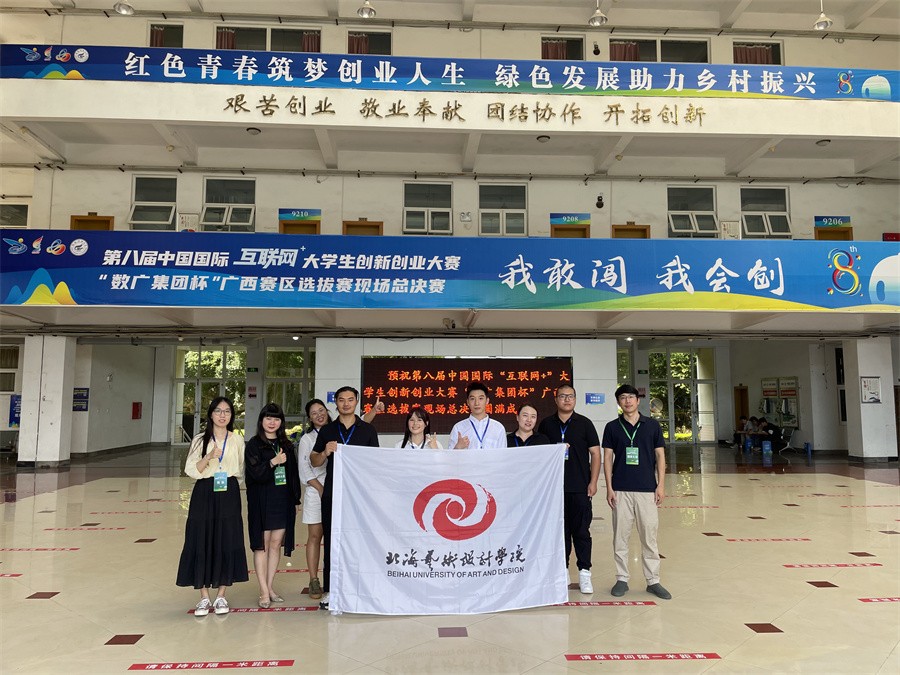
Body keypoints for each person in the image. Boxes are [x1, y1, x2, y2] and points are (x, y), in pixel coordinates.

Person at [176, 396, 249, 617]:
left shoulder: (237, 440)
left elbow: (240, 469)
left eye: (227, 411)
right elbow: (192, 470)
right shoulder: (200, 439)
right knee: (201, 537)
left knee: (226, 538)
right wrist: (208, 456)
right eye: (218, 411)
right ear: (210, 414)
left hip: (228, 491)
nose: (222, 415)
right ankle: (204, 597)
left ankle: (221, 595)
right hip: (204, 491)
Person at [311, 386, 379, 610]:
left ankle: (359, 588)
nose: (346, 404)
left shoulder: (368, 430)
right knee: (332, 540)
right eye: (342, 400)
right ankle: (331, 590)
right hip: (333, 493)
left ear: (357, 402)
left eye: (350, 399)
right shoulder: (327, 430)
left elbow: (375, 463)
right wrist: (324, 452)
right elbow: (314, 461)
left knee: (359, 540)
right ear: (336, 403)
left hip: (359, 495)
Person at [602, 384, 671, 601]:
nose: (627, 401)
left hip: (647, 490)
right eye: (623, 397)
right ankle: (622, 578)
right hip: (620, 490)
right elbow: (607, 459)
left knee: (649, 537)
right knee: (620, 538)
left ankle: (653, 581)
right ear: (618, 402)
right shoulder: (612, 427)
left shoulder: (652, 426)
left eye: (631, 397)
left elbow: (660, 456)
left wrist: (660, 485)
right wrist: (609, 488)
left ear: (638, 400)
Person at [537, 383, 601, 594]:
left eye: (570, 396)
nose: (566, 399)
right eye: (562, 396)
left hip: (580, 488)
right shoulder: (546, 424)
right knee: (559, 533)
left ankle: (584, 573)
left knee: (581, 532)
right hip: (554, 490)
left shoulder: (585, 423)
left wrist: (593, 482)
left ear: (575, 399)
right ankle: (562, 572)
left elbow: (596, 454)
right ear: (555, 399)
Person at [244, 402, 302, 609]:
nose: (272, 422)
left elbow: (293, 475)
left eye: (276, 419)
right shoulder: (254, 444)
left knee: (276, 544)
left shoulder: (286, 445)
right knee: (262, 544)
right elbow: (255, 474)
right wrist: (272, 462)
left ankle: (269, 587)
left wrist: (296, 499)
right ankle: (262, 590)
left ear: (281, 422)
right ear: (261, 420)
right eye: (268, 418)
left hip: (282, 500)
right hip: (261, 500)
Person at [297, 398, 330, 601]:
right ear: (310, 418)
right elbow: (304, 469)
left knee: (335, 536)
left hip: (336, 490)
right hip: (316, 491)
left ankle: (335, 578)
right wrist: (320, 489)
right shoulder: (307, 439)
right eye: (314, 413)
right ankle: (314, 580)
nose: (319, 415)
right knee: (315, 537)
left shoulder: (336, 431)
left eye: (321, 410)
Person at [448, 382, 507, 449]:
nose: (476, 403)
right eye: (472, 399)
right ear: (468, 402)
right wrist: (457, 448)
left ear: (487, 401)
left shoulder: (498, 428)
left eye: (480, 398)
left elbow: (503, 454)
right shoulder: (458, 428)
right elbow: (450, 455)